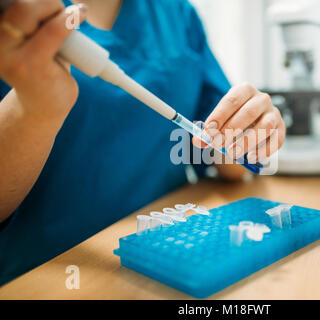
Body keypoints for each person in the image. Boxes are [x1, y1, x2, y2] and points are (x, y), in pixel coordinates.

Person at [0, 0, 286, 285]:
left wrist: (248, 132)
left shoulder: (176, 13)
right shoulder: (17, 21)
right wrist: (33, 109)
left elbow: (229, 162)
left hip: (171, 263)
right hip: (49, 279)